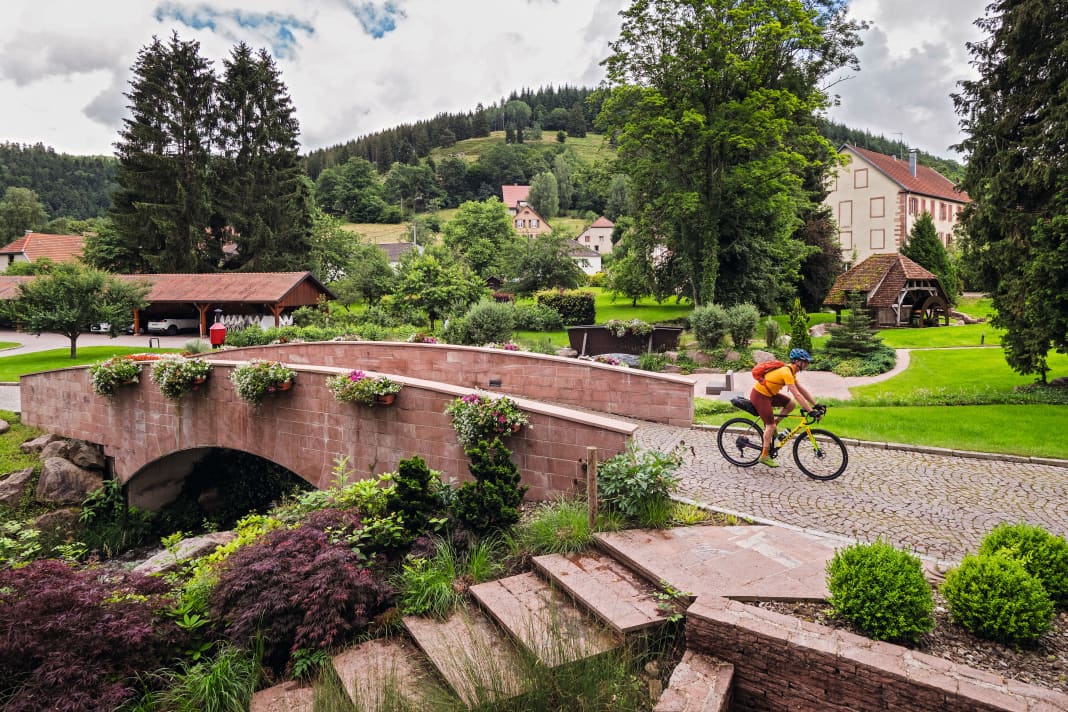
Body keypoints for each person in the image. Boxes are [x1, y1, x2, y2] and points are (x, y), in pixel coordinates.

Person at [749, 348, 818, 468]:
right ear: (797, 361)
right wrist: (810, 411)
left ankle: (774, 424)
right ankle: (764, 456)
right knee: (770, 426)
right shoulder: (786, 372)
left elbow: (801, 390)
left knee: (790, 405)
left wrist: (815, 405)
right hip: (760, 395)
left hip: (770, 395)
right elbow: (797, 394)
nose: (807, 364)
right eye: (805, 361)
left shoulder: (791, 371)